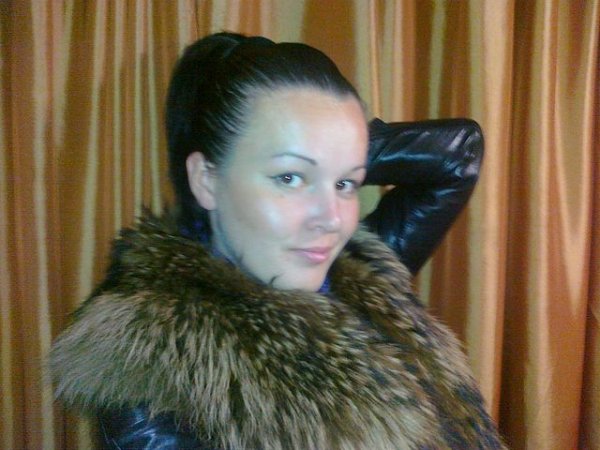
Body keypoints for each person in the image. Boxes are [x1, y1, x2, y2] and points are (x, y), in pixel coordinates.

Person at [50, 33, 503, 449]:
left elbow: (458, 153)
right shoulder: (155, 384)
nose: (333, 221)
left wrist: (332, 148)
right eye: (288, 178)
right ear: (206, 180)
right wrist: (330, 160)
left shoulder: (355, 273)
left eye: (346, 184)